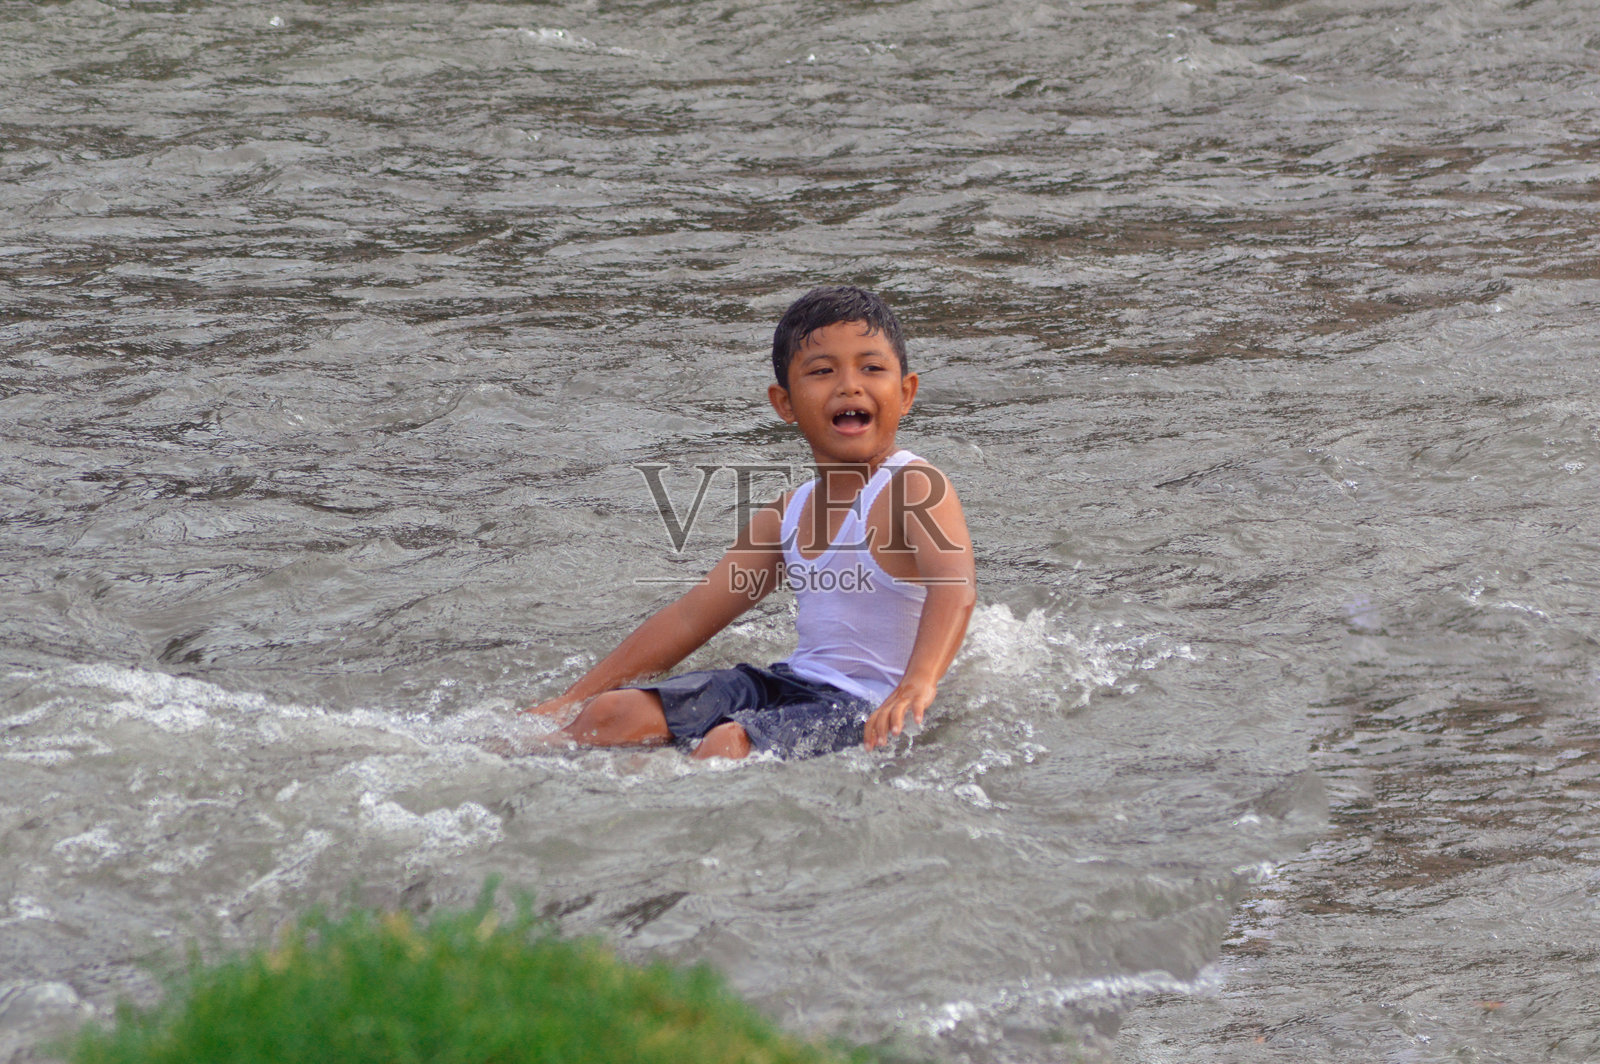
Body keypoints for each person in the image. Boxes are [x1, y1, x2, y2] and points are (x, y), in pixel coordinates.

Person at [524, 286, 976, 759]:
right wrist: (570, 699)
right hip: (791, 682)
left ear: (905, 393)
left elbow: (956, 589)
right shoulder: (787, 514)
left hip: (869, 704)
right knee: (610, 714)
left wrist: (918, 683)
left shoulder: (915, 486)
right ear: (785, 404)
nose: (850, 385)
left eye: (872, 368)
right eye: (823, 371)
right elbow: (691, 615)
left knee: (728, 745)